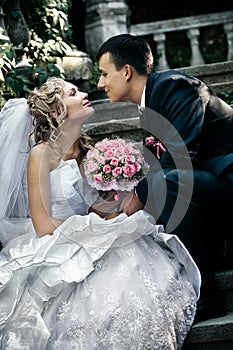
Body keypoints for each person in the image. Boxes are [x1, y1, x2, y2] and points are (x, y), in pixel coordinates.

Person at [0, 77, 201, 349]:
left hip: (85, 231)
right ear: (56, 110)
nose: (84, 93)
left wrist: (122, 193)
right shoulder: (42, 152)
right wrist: (94, 226)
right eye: (73, 92)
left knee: (133, 253)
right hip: (55, 240)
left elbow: (95, 208)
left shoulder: (87, 151)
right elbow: (43, 224)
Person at [96, 33, 233, 323]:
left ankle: (207, 295)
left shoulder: (175, 88)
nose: (100, 84)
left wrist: (141, 194)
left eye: (104, 74)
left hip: (226, 178)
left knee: (168, 184)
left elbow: (181, 156)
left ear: (127, 71)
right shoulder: (153, 101)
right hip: (210, 185)